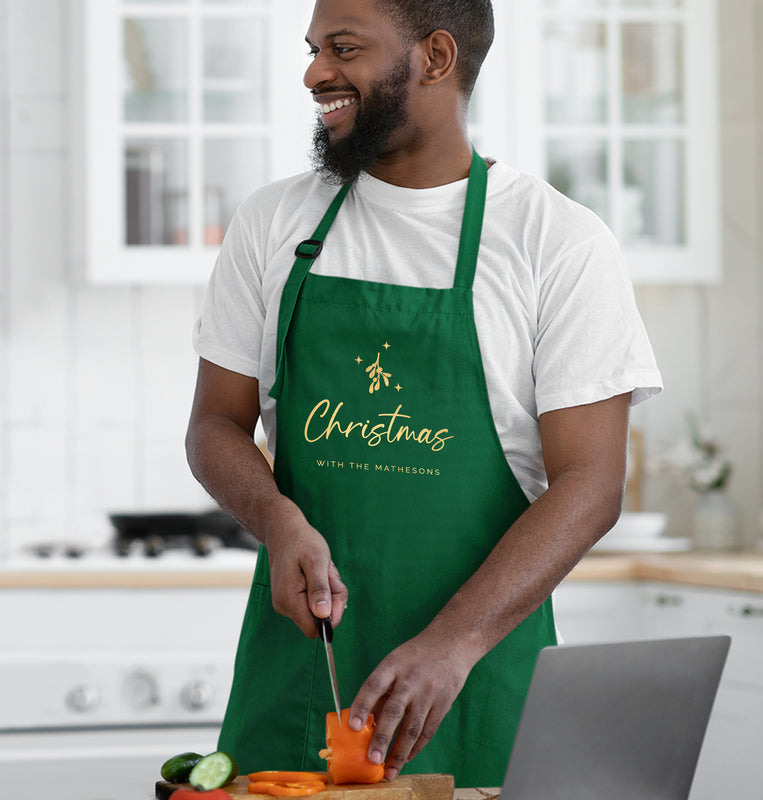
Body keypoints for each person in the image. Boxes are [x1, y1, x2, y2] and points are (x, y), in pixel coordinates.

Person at [186, 0, 663, 788]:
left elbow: (592, 484)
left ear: (436, 57)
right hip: (303, 681)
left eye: (343, 48)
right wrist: (275, 521)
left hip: (478, 683)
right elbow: (214, 424)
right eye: (312, 49)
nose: (314, 73)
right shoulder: (274, 223)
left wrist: (453, 644)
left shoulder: (556, 242)